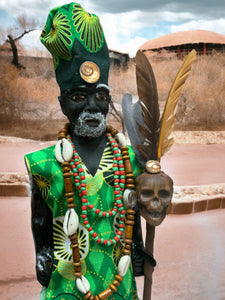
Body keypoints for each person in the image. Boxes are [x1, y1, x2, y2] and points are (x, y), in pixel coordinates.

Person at [25, 3, 146, 299]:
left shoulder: (130, 160)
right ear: (63, 103)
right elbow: (41, 217)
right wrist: (42, 251)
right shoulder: (43, 164)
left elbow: (132, 210)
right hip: (66, 284)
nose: (92, 107)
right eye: (80, 96)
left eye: (100, 96)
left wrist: (138, 247)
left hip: (119, 282)